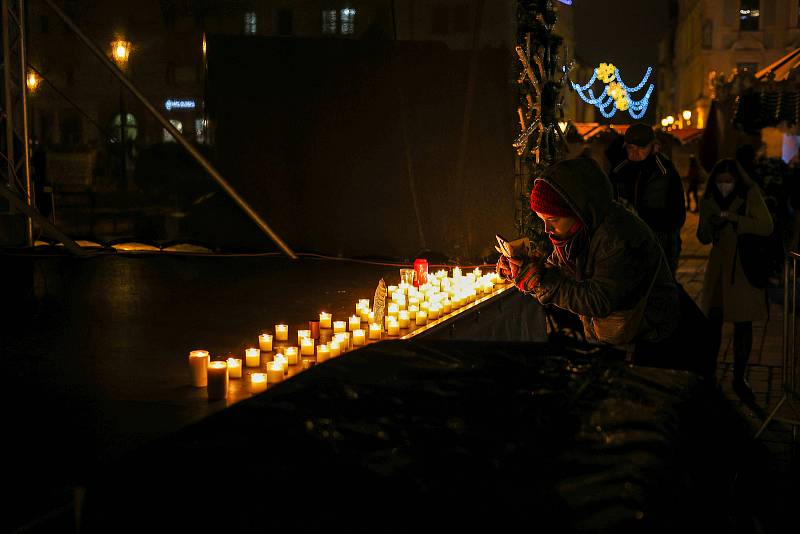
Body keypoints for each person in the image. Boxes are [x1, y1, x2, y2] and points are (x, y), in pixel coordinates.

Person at [496, 157, 680, 363]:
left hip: (649, 340)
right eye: (542, 220)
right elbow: (558, 273)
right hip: (613, 338)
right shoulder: (579, 232)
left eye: (553, 220)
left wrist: (541, 280)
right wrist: (525, 270)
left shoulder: (617, 237)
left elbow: (599, 300)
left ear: (578, 209)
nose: (547, 229)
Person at [697, 158, 773, 403]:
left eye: (728, 181)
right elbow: (702, 237)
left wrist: (736, 219)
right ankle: (708, 374)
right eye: (720, 181)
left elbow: (766, 226)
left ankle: (739, 377)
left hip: (742, 267)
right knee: (712, 324)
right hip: (719, 269)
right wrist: (711, 224)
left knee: (743, 323)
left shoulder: (749, 194)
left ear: (737, 180)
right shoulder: (708, 198)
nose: (724, 186)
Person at [609, 123, 686, 275]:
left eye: (641, 148)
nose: (635, 153)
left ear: (653, 146)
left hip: (659, 243)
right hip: (627, 244)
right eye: (631, 148)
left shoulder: (665, 172)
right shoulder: (619, 171)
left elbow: (676, 216)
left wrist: (640, 214)